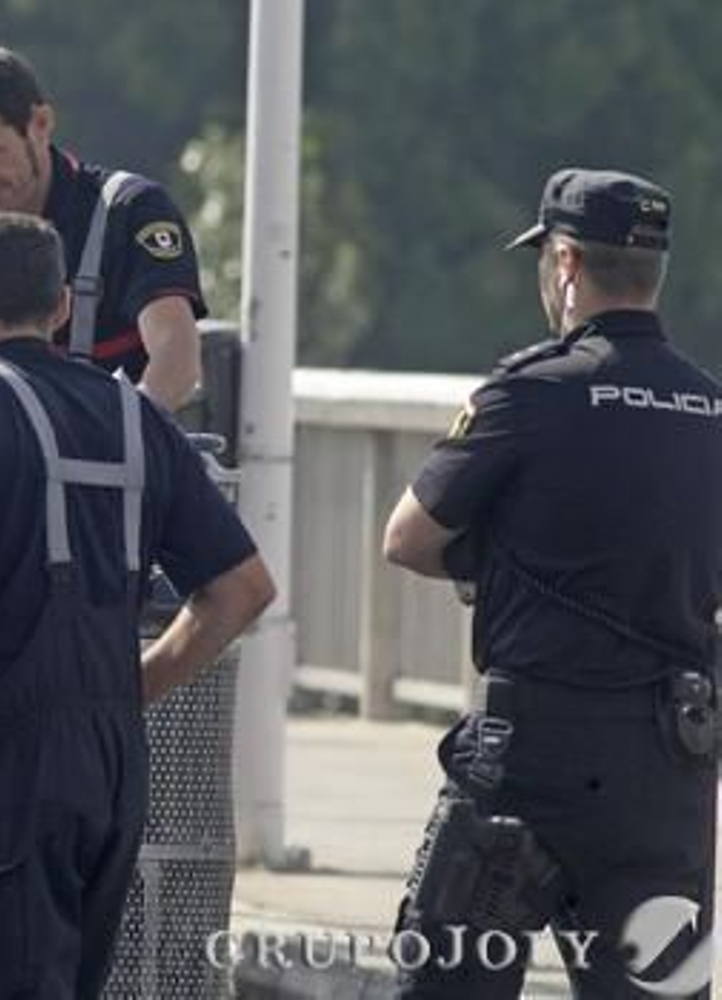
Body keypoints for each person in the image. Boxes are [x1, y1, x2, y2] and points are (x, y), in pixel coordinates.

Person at [0, 212, 273, 997]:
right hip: (112, 757)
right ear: (61, 306)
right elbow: (242, 589)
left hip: (1, 743)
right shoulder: (137, 417)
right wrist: (137, 686)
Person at [383, 168, 722, 997]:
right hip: (669, 766)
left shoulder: (532, 392)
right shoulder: (713, 409)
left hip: (532, 757)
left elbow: (409, 539)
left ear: (565, 262)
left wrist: (492, 566)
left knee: (450, 982)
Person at [0, 38, 209, 411]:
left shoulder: (129, 212)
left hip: (117, 460)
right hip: (8, 464)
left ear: (40, 124)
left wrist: (123, 435)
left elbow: (176, 355)